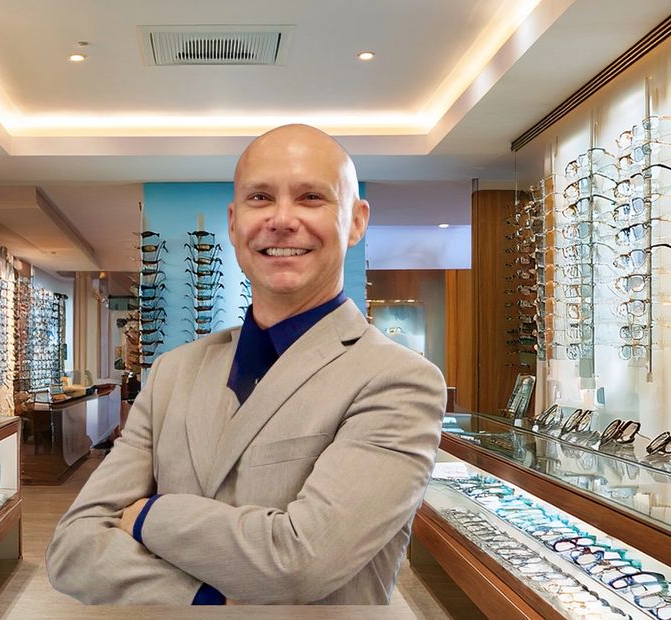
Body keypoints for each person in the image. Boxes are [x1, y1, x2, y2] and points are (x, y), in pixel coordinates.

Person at [47, 124, 446, 605]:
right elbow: (73, 548)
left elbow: (301, 564)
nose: (281, 219)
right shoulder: (173, 372)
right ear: (234, 223)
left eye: (311, 197)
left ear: (357, 222)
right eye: (260, 197)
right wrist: (204, 600)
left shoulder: (399, 381)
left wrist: (152, 514)